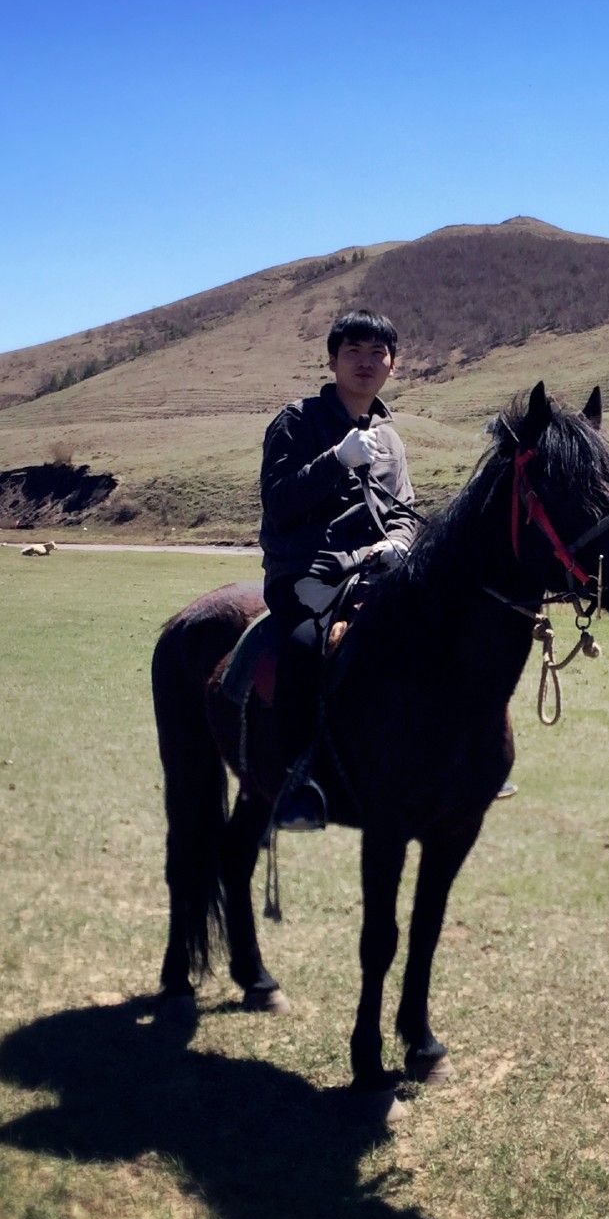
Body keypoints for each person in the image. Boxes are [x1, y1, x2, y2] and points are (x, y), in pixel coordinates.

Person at [257, 309, 417, 829]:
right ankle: (296, 783)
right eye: (354, 351)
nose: (366, 363)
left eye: (378, 353)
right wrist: (335, 460)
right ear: (332, 360)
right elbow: (278, 503)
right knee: (307, 644)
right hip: (307, 570)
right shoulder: (295, 423)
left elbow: (404, 508)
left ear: (392, 365)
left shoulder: (392, 440)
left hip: (373, 571)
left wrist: (399, 541)